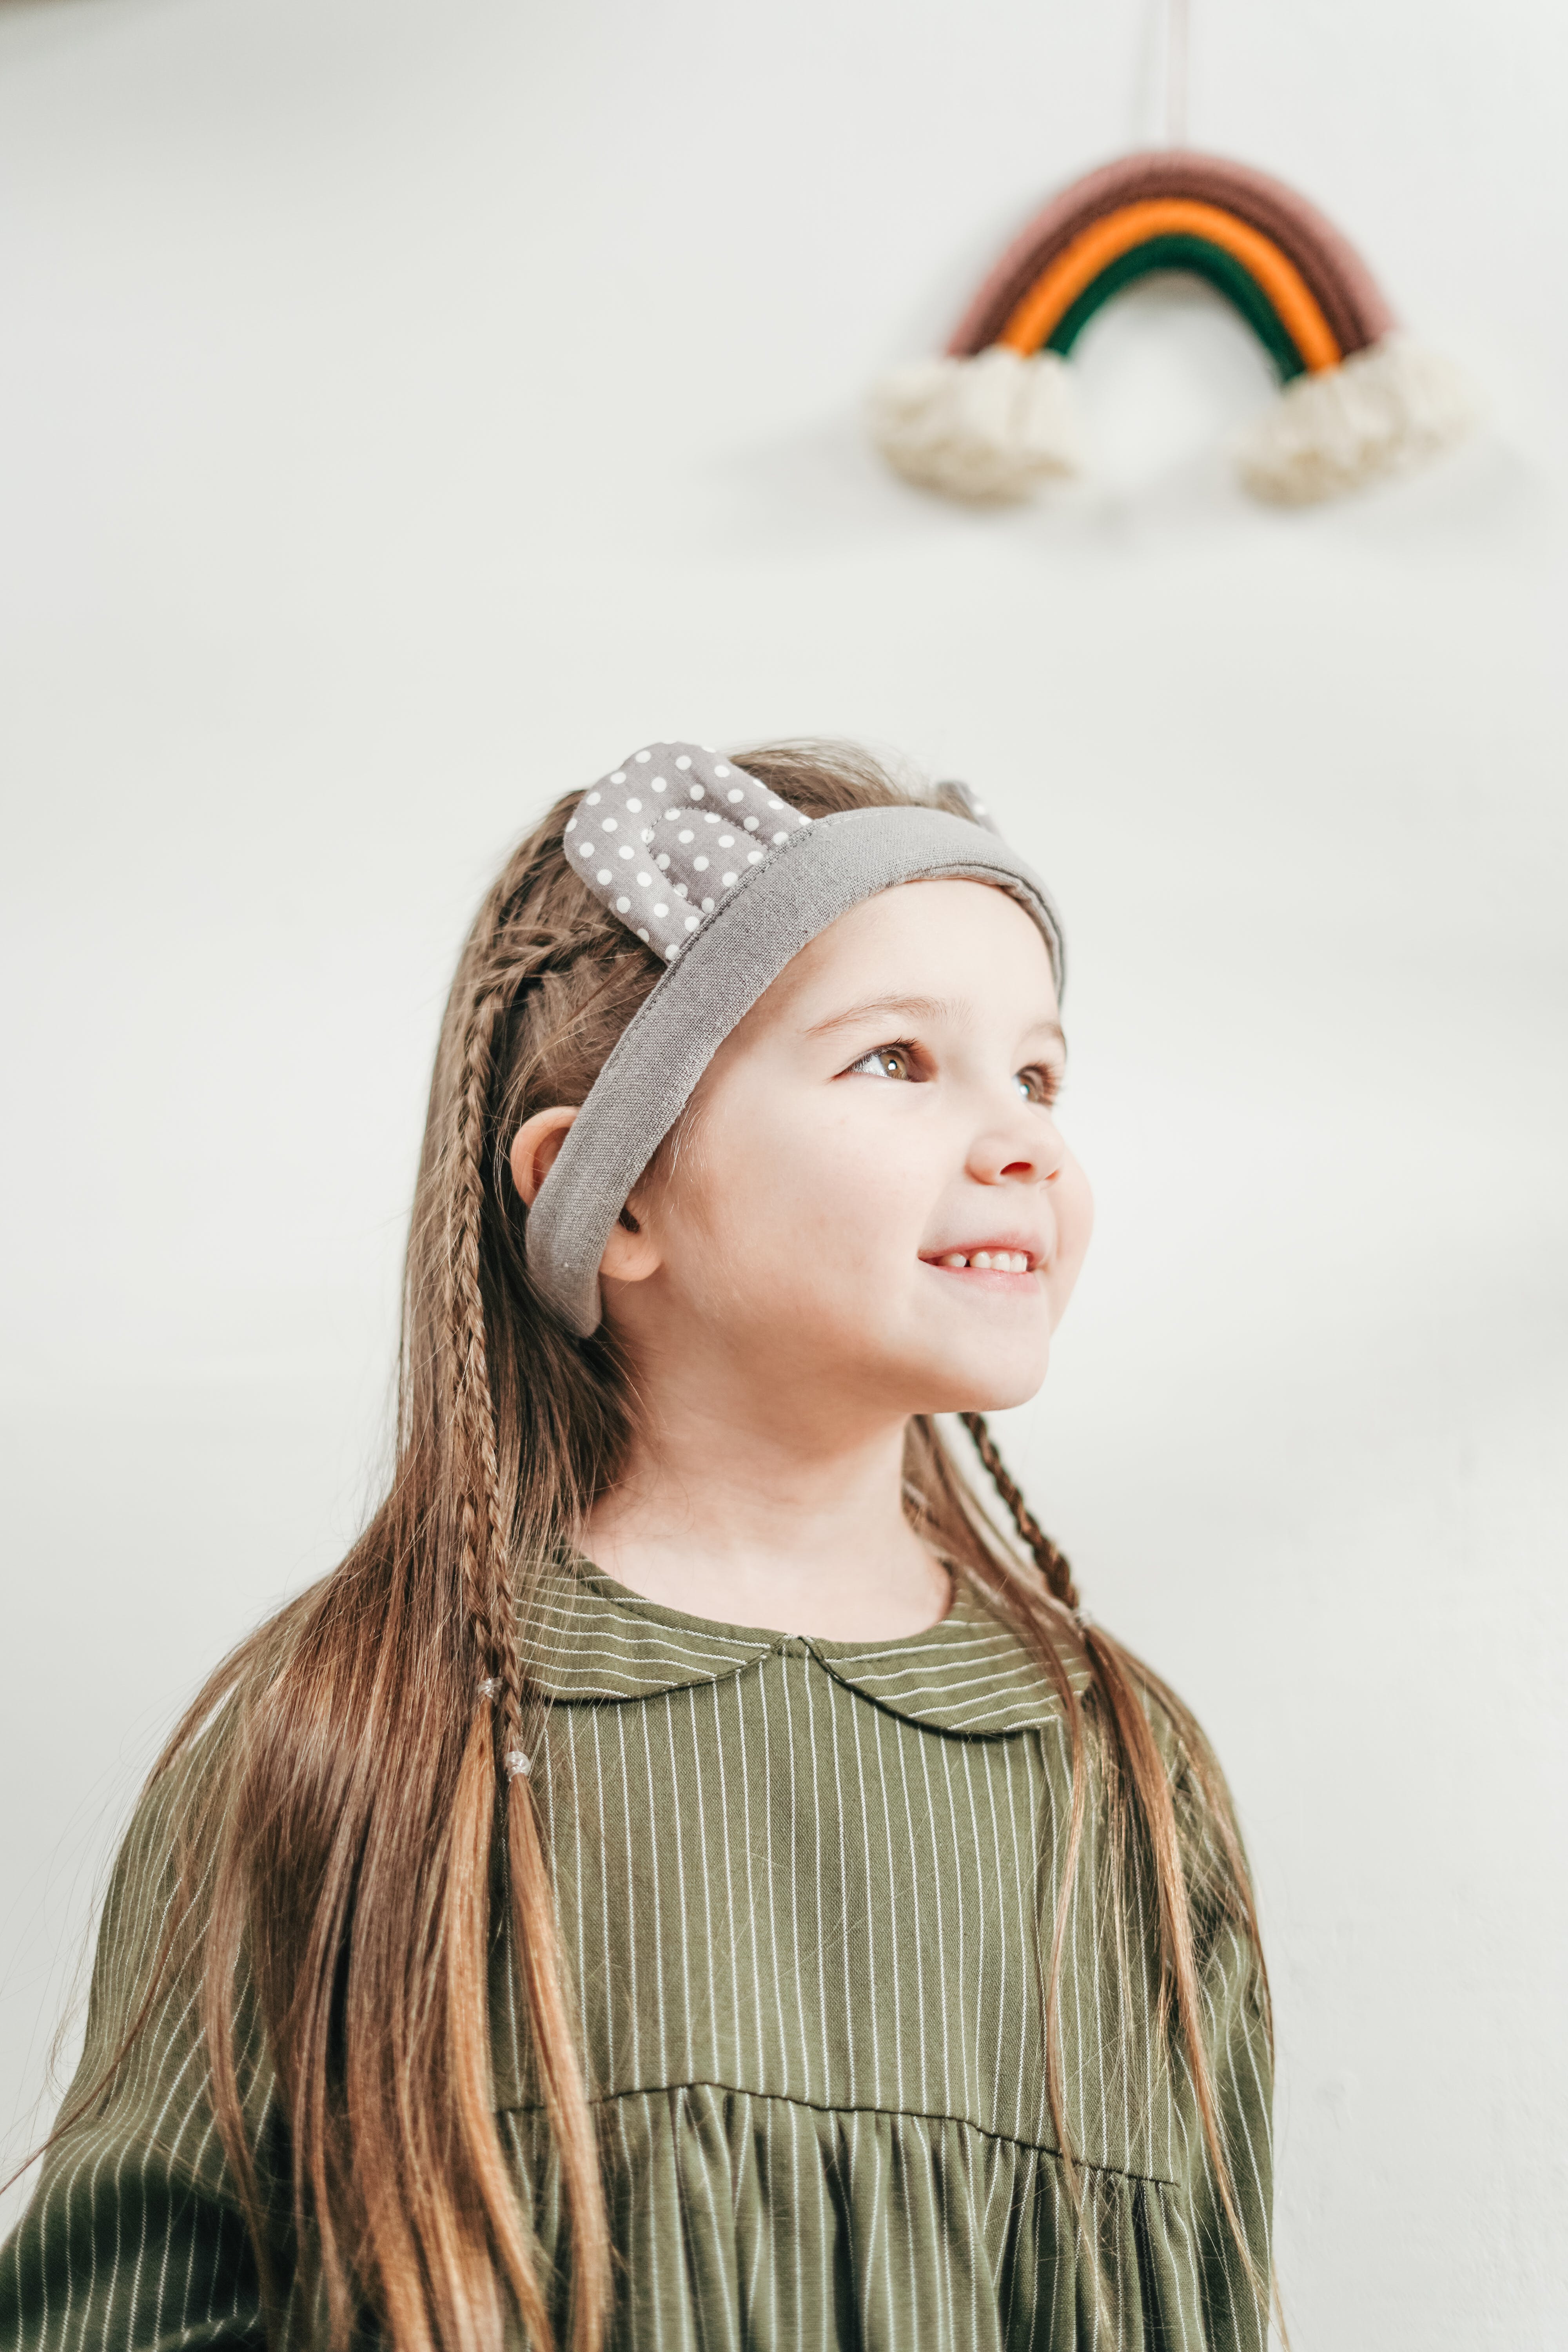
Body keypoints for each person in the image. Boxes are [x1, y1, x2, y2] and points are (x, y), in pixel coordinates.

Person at [0, 740, 1274, 2352]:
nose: (1021, 1138)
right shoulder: (358, 1731)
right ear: (608, 1199)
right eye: (895, 1060)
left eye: (1036, 1076)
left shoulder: (1124, 1778)